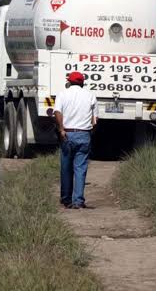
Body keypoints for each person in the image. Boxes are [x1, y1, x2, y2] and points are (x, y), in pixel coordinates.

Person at [54, 71, 97, 209]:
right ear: (82, 82)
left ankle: (66, 199)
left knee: (66, 168)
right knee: (80, 169)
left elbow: (57, 112)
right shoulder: (90, 95)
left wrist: (61, 129)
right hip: (84, 134)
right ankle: (78, 201)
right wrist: (90, 132)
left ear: (69, 82)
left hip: (67, 134)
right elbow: (95, 119)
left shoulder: (62, 94)